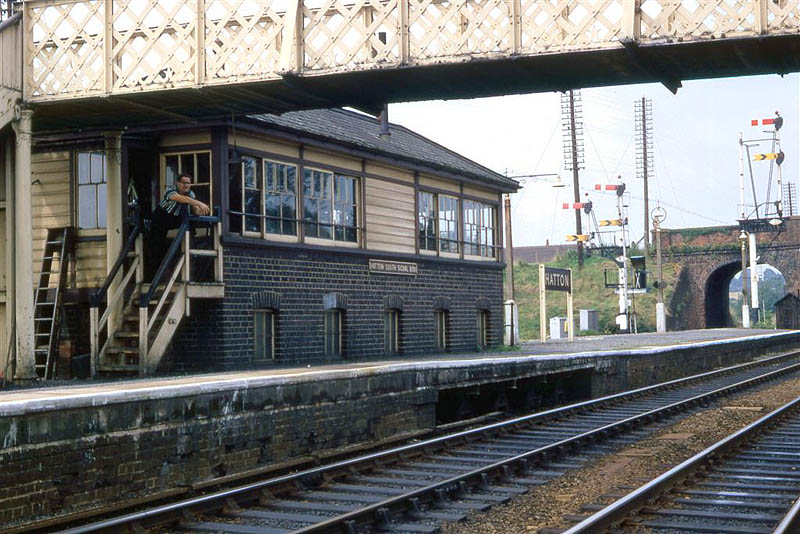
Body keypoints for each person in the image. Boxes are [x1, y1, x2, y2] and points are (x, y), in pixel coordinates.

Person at [147, 173, 210, 279]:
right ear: (177, 183)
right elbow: (181, 199)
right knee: (156, 248)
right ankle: (154, 277)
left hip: (174, 219)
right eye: (183, 183)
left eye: (188, 183)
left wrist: (202, 210)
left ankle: (183, 273)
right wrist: (199, 203)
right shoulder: (170, 191)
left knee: (189, 227)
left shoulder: (191, 194)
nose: (186, 185)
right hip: (160, 219)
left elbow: (195, 209)